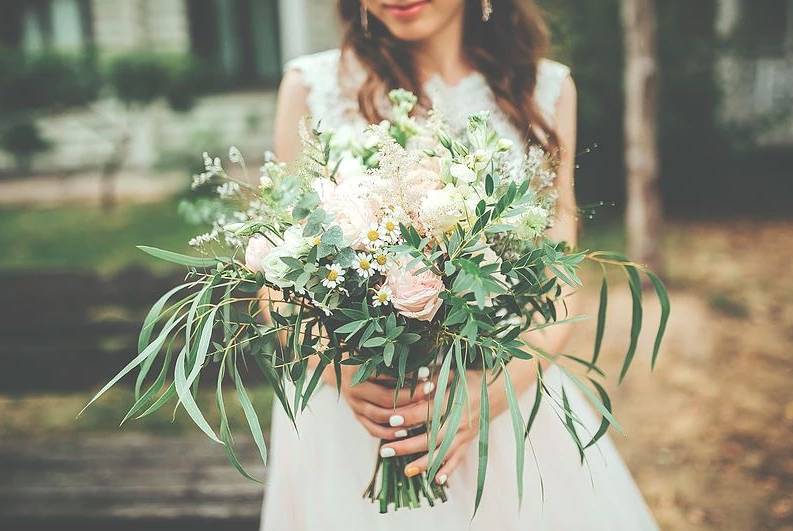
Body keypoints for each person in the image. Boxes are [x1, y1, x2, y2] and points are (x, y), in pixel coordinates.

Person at [262, 1, 658, 529]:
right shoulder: (310, 88)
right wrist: (341, 373)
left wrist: (488, 397)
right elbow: (277, 275)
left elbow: (561, 284)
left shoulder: (546, 90)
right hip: (351, 422)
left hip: (502, 396)